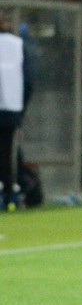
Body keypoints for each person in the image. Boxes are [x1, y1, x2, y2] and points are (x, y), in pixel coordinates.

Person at [0, 13, 33, 212]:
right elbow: (28, 81)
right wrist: (20, 111)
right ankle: (10, 196)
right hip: (11, 110)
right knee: (6, 155)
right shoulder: (17, 44)